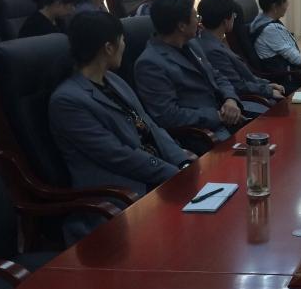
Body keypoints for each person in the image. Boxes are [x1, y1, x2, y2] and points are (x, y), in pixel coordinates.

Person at [49, 12, 194, 242]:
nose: (125, 46)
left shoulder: (114, 80)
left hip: (156, 176)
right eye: (122, 40)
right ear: (108, 47)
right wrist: (172, 173)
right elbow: (117, 155)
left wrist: (182, 161)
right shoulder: (67, 101)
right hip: (121, 194)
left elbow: (150, 125)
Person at [133, 0, 244, 142]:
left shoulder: (192, 44)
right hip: (201, 134)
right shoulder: (150, 64)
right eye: (196, 17)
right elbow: (168, 116)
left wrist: (230, 99)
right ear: (182, 26)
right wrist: (218, 116)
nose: (199, 22)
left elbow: (217, 75)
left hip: (228, 118)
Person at [198, 0, 285, 104]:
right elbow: (237, 85)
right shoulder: (213, 50)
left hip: (254, 89)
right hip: (242, 100)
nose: (235, 18)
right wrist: (268, 91)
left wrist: (266, 85)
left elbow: (244, 77)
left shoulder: (214, 41)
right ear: (225, 21)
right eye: (234, 15)